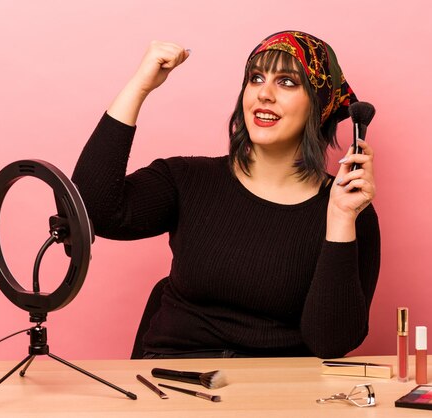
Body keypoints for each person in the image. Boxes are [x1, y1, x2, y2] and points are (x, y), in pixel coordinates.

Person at [72, 30, 380, 359]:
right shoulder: (187, 179)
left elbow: (330, 343)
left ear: (318, 105)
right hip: (173, 381)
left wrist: (340, 221)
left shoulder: (350, 209)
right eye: (256, 78)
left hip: (278, 392)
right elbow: (91, 209)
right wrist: (140, 85)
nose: (264, 93)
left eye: (287, 82)